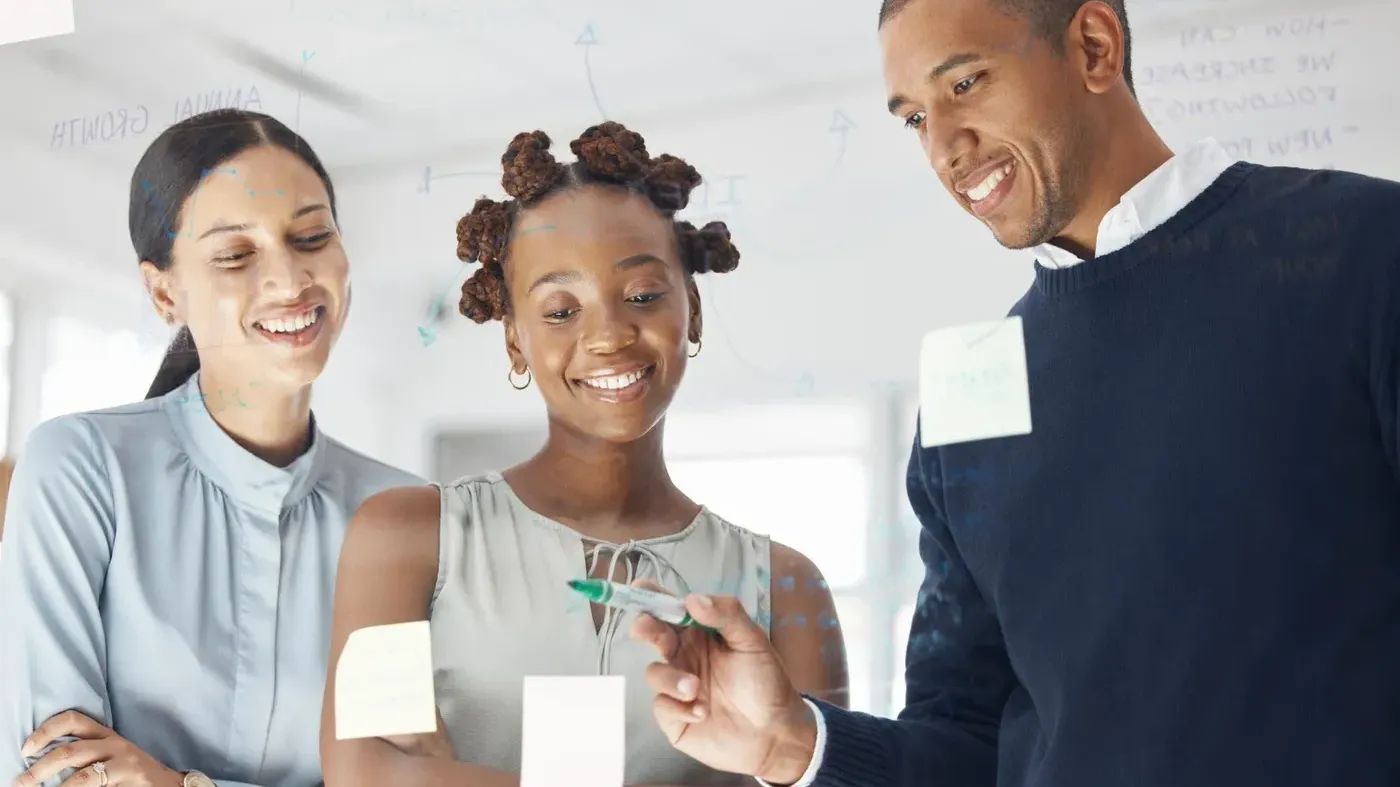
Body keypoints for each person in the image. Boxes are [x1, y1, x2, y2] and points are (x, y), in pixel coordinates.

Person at [629, 0, 1400, 786]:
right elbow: (968, 739)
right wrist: (794, 746)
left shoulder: (1369, 252)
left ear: (1094, 47)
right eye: (914, 118)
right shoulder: (972, 394)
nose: (943, 148)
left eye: (965, 82)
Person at [319, 122, 849, 787]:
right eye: (561, 310)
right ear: (515, 341)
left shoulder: (787, 587)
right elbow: (362, 773)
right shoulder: (405, 536)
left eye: (642, 296)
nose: (607, 335)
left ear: (694, 309)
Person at [0, 109, 421, 787]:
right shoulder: (80, 469)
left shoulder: (405, 513)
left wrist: (177, 783)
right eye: (235, 254)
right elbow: (53, 775)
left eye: (312, 235)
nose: (290, 279)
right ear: (165, 292)